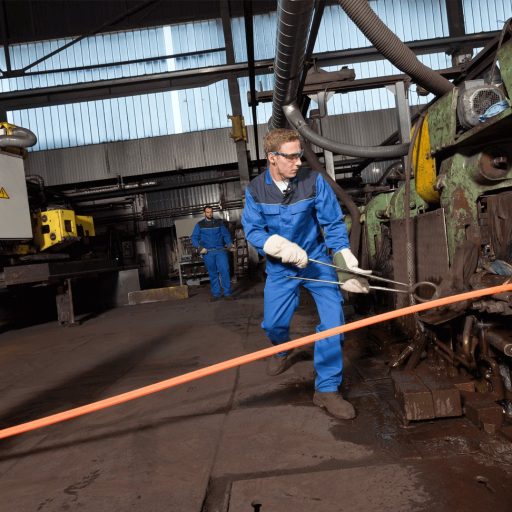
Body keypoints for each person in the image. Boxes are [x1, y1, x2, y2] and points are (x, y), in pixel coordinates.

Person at [241, 128, 370, 419]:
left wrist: (344, 260)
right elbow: (253, 230)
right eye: (291, 157)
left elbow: (333, 223)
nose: (299, 162)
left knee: (334, 322)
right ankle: (283, 348)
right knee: (274, 324)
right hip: (280, 267)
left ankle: (326, 389)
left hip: (316, 261)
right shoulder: (256, 190)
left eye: (300, 155)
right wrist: (277, 245)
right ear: (272, 158)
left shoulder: (313, 182)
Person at [191, 206, 233, 301]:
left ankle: (227, 293)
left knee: (225, 271)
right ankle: (216, 294)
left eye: (211, 212)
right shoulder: (200, 225)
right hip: (208, 252)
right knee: (213, 273)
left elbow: (226, 235)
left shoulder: (219, 223)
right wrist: (199, 247)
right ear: (204, 213)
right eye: (207, 212)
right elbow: (194, 238)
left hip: (220, 251)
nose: (210, 214)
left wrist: (229, 244)